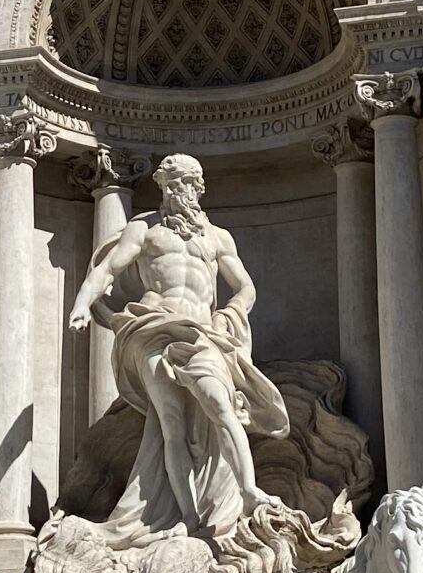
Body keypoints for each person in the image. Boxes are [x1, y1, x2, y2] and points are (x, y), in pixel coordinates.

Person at [67, 152, 288, 540]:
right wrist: (82, 304)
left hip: (202, 332)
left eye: (186, 182)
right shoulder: (145, 230)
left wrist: (230, 313)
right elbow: (108, 269)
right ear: (162, 187)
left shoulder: (218, 237)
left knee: (222, 408)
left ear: (199, 187)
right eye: (171, 183)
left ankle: (249, 490)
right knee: (170, 424)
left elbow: (246, 287)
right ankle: (187, 517)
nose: (179, 190)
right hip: (153, 327)